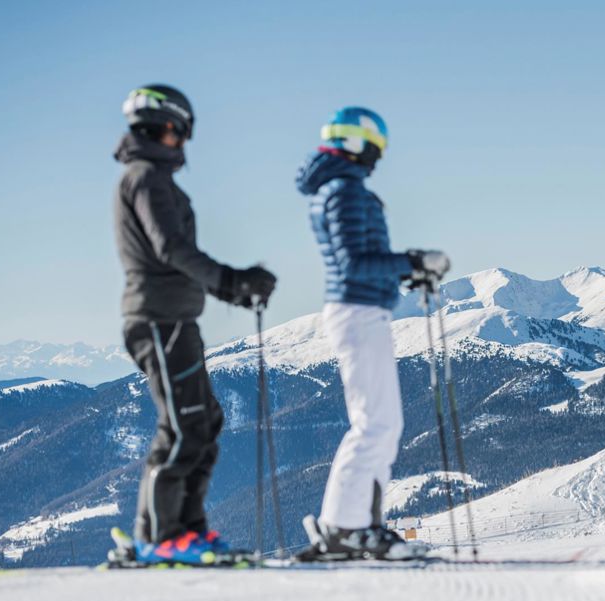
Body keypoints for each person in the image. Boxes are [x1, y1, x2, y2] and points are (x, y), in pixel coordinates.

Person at [113, 84, 277, 564]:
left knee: (205, 421)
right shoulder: (145, 178)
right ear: (171, 125)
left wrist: (230, 289)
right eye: (184, 129)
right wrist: (230, 280)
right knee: (183, 426)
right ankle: (160, 537)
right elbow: (170, 248)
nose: (185, 139)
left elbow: (174, 254)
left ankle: (186, 529)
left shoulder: (154, 178)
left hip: (176, 317)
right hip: (157, 318)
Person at [294, 106, 449, 560]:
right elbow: (354, 263)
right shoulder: (344, 192)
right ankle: (350, 527)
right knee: (377, 423)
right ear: (358, 144)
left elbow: (359, 260)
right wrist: (414, 262)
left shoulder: (337, 189)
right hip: (359, 312)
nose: (378, 156)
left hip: (360, 308)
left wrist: (405, 270)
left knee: (377, 422)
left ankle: (347, 526)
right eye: (375, 146)